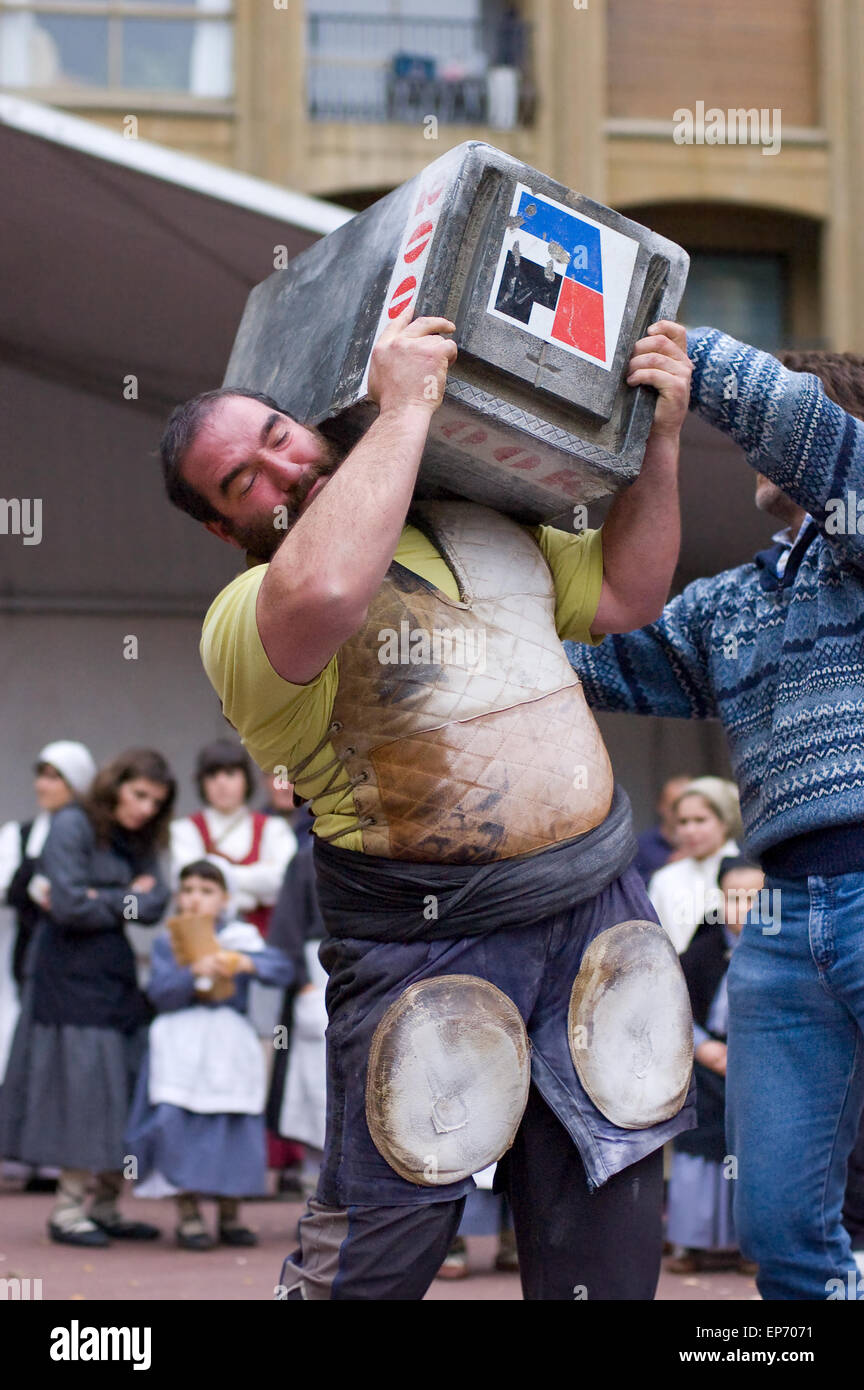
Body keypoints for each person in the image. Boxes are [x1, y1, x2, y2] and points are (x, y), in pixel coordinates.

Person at [157, 304, 694, 1301]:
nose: (282, 473)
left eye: (281, 439)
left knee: (609, 1267)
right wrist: (404, 410)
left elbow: (629, 594)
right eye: (245, 483)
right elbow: (327, 592)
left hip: (597, 916)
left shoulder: (484, 519)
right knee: (372, 1264)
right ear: (221, 525)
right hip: (427, 944)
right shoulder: (250, 612)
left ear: (311, 419)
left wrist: (660, 440)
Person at [568, 334, 864, 1300]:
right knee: (778, 1228)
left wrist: (663, 335)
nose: (757, 441)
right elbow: (583, 661)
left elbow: (803, 431)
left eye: (793, 407)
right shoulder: (730, 602)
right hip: (778, 922)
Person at [0, 749, 174, 1247]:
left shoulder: (137, 837)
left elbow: (158, 902)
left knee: (124, 1083)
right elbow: (70, 906)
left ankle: (106, 1207)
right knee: (83, 1092)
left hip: (115, 977)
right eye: (138, 794)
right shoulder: (73, 823)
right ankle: (67, 1212)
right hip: (66, 979)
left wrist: (103, 895)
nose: (144, 808)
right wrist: (124, 893)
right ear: (115, 784)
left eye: (155, 802)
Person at [126, 859, 294, 1249]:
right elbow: (160, 993)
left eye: (206, 891)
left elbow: (279, 969)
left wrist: (239, 962)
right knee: (176, 1123)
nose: (195, 899)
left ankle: (230, 1211)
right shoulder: (169, 940)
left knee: (231, 1124)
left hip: (228, 1041)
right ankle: (187, 1211)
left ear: (225, 899)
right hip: (181, 1040)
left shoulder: (241, 936)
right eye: (188, 891)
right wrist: (192, 973)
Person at [666, 855, 763, 1275]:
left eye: (756, 899)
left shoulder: (781, 951)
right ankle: (691, 1242)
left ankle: (755, 1244)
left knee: (758, 1147)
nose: (744, 909)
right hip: (706, 1061)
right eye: (734, 899)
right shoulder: (702, 951)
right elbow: (674, 1007)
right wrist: (703, 1047)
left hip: (762, 1061)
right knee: (698, 1138)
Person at [0, 742, 96, 1090]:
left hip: (77, 959)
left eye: (56, 777)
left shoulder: (94, 837)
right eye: (42, 775)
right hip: (28, 952)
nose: (43, 785)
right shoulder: (20, 836)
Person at [171, 738, 296, 937]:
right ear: (201, 783)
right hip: (203, 941)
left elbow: (282, 882)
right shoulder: (184, 830)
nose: (221, 783)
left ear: (246, 779)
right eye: (212, 775)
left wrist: (216, 879)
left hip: (266, 944)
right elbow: (186, 883)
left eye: (230, 774)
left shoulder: (274, 829)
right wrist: (253, 895)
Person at [647, 777, 740, 955]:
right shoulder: (664, 879)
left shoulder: (748, 872)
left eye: (700, 820)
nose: (690, 831)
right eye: (683, 822)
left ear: (725, 822)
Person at [633, 774, 692, 885]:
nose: (681, 812)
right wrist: (668, 870)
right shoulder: (641, 847)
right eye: (674, 806)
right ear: (661, 806)